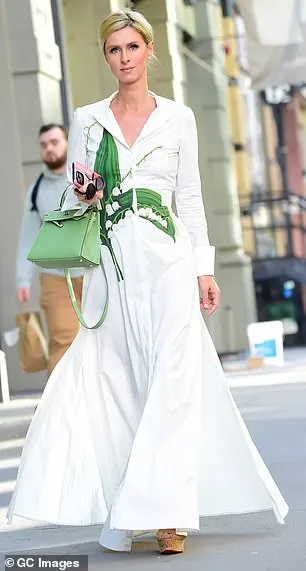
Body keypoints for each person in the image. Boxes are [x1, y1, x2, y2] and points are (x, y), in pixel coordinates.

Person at [8, 9, 288, 555]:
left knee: (173, 380)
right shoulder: (89, 120)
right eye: (114, 50)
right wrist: (85, 191)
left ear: (149, 50)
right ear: (107, 56)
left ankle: (167, 514)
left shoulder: (179, 117)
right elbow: (76, 198)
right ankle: (131, 500)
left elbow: (190, 200)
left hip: (169, 263)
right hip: (114, 268)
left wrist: (204, 269)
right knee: (122, 382)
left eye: (133, 47)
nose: (124, 58)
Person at [16, 124, 84, 374]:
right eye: (44, 145)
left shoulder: (85, 178)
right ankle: (60, 410)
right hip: (56, 279)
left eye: (55, 142)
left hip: (95, 273)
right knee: (63, 341)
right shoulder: (36, 191)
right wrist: (22, 279)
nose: (49, 149)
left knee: (107, 341)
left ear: (67, 142)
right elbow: (28, 236)